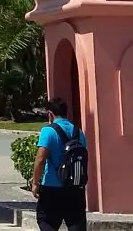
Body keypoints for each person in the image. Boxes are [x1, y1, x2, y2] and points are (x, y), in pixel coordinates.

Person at [31, 97, 88, 231]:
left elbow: (40, 159)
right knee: (76, 224)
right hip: (75, 187)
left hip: (52, 187)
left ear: (50, 114)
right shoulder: (78, 132)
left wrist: (35, 182)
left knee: (46, 221)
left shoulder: (48, 131)